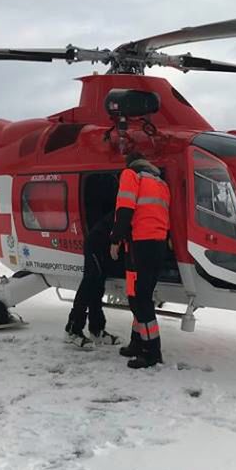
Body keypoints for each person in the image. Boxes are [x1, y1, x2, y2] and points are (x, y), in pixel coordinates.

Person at [110, 151, 171, 369]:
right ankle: (137, 342)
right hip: (158, 245)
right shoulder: (161, 183)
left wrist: (115, 239)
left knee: (140, 299)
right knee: (139, 294)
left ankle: (151, 351)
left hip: (140, 245)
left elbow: (124, 209)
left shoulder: (131, 175)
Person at [64, 211, 121, 348]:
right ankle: (72, 330)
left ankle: (96, 329)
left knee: (98, 287)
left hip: (104, 245)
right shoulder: (126, 209)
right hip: (96, 243)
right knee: (89, 284)